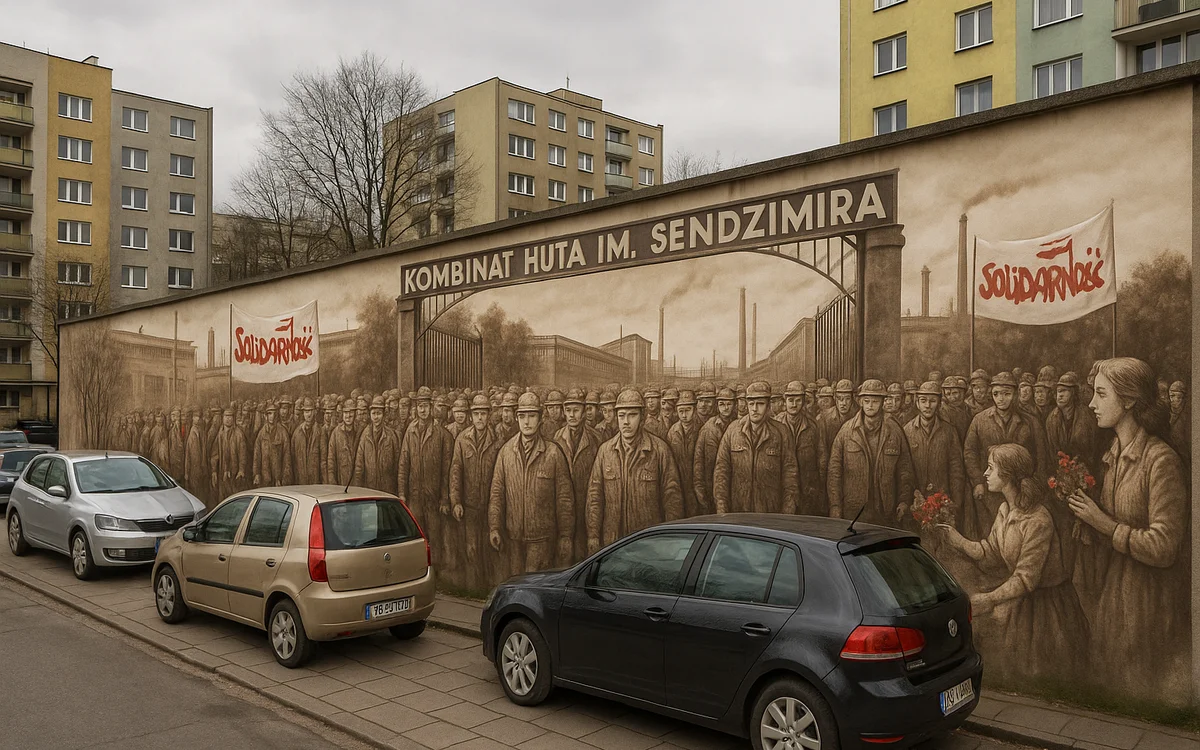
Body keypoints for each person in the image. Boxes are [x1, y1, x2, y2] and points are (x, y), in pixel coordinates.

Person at [1067, 357, 1189, 696]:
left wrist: (1103, 524)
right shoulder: (1113, 454)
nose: (1091, 403)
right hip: (1113, 597)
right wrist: (1089, 526)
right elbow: (1114, 524)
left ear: (1130, 400)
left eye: (1101, 394)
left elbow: (1165, 547)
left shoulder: (1161, 460)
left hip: (1149, 604)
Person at [939, 444, 1088, 683]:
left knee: (1043, 674)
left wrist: (989, 599)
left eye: (990, 468)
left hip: (1048, 610)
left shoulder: (1037, 519)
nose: (985, 474)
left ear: (1007, 475)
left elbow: (1025, 578)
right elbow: (990, 552)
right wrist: (957, 541)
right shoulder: (1005, 510)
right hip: (1023, 603)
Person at [585, 389, 683, 553]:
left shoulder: (659, 450)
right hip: (613, 543)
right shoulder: (605, 451)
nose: (626, 421)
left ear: (642, 417)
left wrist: (670, 539)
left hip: (649, 544)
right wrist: (593, 536)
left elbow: (672, 499)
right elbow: (594, 497)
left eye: (632, 415)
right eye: (622, 415)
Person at [488, 393, 574, 575]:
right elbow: (497, 493)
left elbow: (564, 498)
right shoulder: (506, 453)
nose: (526, 422)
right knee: (515, 585)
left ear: (541, 419)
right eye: (522, 416)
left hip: (542, 539)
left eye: (532, 416)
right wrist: (495, 527)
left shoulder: (553, 453)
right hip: (513, 538)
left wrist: (565, 536)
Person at [963, 372, 1046, 540]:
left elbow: (1042, 456)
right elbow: (969, 452)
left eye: (1006, 394)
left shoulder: (1030, 421)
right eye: (996, 394)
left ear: (1014, 394)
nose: (1001, 399)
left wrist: (1034, 485)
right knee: (992, 534)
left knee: (1018, 534)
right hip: (990, 489)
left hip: (1021, 490)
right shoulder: (979, 420)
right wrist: (978, 481)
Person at [826, 379, 915, 525]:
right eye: (867, 401)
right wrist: (835, 506)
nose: (870, 405)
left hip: (886, 510)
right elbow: (834, 472)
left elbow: (905, 470)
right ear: (860, 401)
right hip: (854, 510)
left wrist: (904, 501)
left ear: (882, 402)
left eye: (875, 401)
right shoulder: (846, 432)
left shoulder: (894, 431)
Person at [712, 381, 800, 515]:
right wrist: (721, 509)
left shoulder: (781, 432)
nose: (754, 409)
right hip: (738, 511)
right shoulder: (733, 431)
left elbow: (790, 475)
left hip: (770, 512)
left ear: (768, 406)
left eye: (760, 404)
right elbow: (721, 472)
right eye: (751, 404)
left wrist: (787, 513)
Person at [398, 386, 456, 566]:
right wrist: (402, 493)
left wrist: (445, 499)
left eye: (426, 406)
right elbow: (404, 463)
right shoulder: (410, 431)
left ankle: (436, 574)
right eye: (420, 406)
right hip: (415, 495)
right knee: (417, 535)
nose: (423, 410)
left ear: (432, 407)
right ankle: (419, 569)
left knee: (435, 536)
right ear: (416, 408)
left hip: (434, 496)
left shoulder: (442, 435)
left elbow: (448, 470)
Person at [450, 394, 502, 591]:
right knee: (471, 549)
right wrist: (456, 501)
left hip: (491, 506)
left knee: (491, 550)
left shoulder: (498, 441)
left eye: (483, 414)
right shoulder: (462, 440)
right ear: (471, 416)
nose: (480, 418)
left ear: (489, 416)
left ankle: (489, 591)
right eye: (477, 414)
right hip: (470, 505)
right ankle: (473, 590)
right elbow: (456, 471)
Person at [904, 381, 967, 528]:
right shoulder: (907, 431)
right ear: (917, 403)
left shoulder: (949, 431)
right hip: (916, 501)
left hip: (943, 501)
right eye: (923, 401)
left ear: (939, 403)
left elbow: (956, 469)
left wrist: (955, 503)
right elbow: (904, 470)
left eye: (932, 401)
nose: (927, 405)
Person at [554, 388, 603, 563]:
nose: (571, 415)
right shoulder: (556, 438)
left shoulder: (597, 439)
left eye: (576, 410)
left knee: (586, 557)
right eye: (568, 411)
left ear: (583, 412)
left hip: (587, 507)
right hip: (563, 509)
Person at [775, 381, 827, 515]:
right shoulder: (775, 425)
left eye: (798, 401)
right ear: (784, 401)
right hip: (783, 489)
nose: (794, 404)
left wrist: (819, 488)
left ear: (803, 402)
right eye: (790, 400)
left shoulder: (813, 426)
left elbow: (822, 457)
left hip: (808, 489)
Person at [1045, 372, 1099, 473]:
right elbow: (1052, 453)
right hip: (1061, 472)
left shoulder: (1086, 416)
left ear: (1073, 393)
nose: (1059, 395)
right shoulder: (1052, 419)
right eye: (1058, 391)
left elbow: (1092, 450)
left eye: (1064, 391)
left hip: (1086, 471)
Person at [693, 387, 735, 516]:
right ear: (717, 406)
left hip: (734, 486)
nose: (725, 408)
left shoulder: (739, 426)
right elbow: (698, 461)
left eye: (729, 404)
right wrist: (700, 491)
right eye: (722, 404)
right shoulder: (708, 428)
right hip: (710, 485)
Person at [353, 396, 401, 494]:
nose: (376, 417)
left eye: (379, 413)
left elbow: (397, 463)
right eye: (373, 413)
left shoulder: (391, 435)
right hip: (369, 488)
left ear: (383, 415)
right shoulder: (365, 435)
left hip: (388, 488)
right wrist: (358, 489)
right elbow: (359, 465)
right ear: (370, 415)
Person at [666, 390, 702, 517]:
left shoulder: (702, 429)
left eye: (688, 410)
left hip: (697, 483)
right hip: (679, 482)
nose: (684, 415)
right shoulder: (672, 432)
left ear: (694, 409)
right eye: (681, 411)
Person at [252, 401, 292, 487]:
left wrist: (284, 479)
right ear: (265, 416)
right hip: (265, 477)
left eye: (274, 414)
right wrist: (256, 473)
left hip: (278, 478)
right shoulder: (261, 433)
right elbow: (257, 455)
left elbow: (287, 457)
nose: (272, 417)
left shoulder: (283, 432)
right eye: (269, 414)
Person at [210, 408, 247, 500]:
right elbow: (215, 454)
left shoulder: (239, 434)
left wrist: (241, 470)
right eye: (226, 416)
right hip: (223, 473)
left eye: (230, 416)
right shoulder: (220, 434)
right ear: (223, 418)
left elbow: (243, 453)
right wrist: (214, 470)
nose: (228, 419)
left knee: (235, 498)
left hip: (235, 474)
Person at [291, 397, 327, 485]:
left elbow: (323, 460)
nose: (309, 414)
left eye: (311, 411)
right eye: (306, 412)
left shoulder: (320, 432)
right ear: (303, 413)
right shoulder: (297, 433)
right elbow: (292, 459)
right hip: (300, 481)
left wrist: (325, 482)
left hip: (316, 481)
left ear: (315, 411)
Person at [325, 400, 358, 486]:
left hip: (358, 482)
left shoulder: (361, 431)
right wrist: (332, 481)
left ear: (355, 413)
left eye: (351, 412)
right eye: (346, 412)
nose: (348, 416)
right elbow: (331, 459)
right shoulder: (336, 433)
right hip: (341, 481)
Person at [940, 376, 974, 443]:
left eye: (955, 393)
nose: (952, 398)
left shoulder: (969, 409)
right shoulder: (944, 412)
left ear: (963, 393)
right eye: (948, 394)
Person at [1168, 381, 1190, 467]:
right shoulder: (1167, 415)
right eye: (1170, 396)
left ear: (1182, 397)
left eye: (1174, 396)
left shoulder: (1188, 418)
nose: (1171, 400)